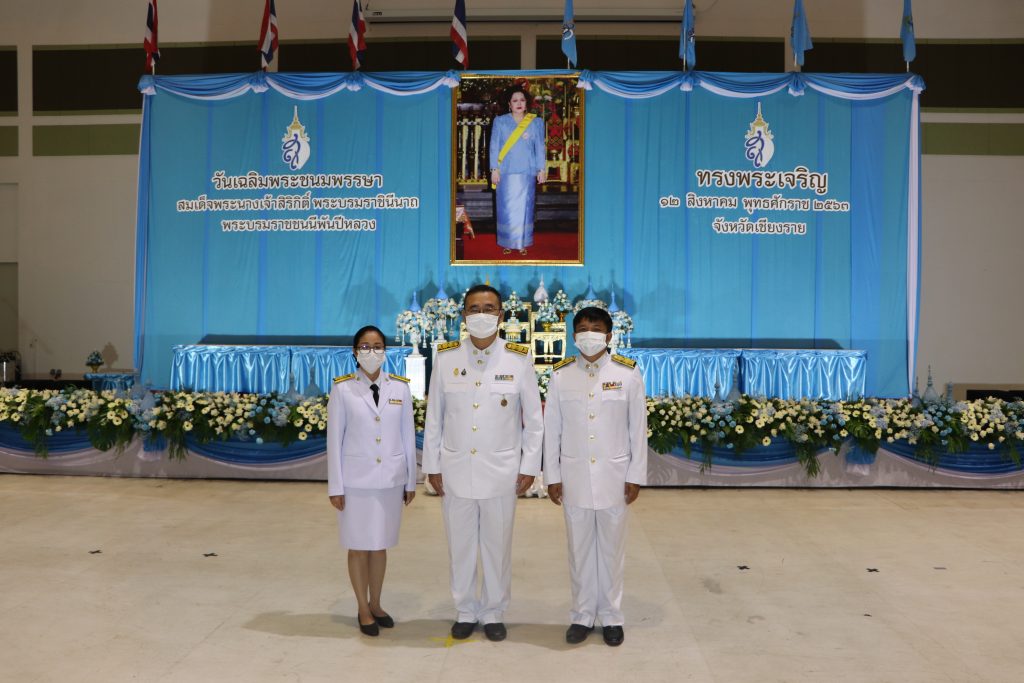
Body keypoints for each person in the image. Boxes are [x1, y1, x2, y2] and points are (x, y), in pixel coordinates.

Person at [422, 284, 543, 642]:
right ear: (463, 315)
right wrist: (432, 466)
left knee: (496, 546)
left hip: (501, 472)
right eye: (474, 308)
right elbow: (434, 417)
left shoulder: (518, 358)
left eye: (489, 308)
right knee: (460, 546)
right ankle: (464, 610)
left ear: (501, 315)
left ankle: (493, 611)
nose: (481, 315)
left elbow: (534, 420)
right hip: (456, 470)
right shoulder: (446, 358)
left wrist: (529, 467)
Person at [543, 306, 648, 647]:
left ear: (609, 335)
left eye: (596, 328)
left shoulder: (627, 373)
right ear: (574, 336)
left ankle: (612, 617)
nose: (589, 334)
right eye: (583, 329)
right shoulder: (561, 376)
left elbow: (637, 428)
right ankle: (582, 615)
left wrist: (635, 474)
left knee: (611, 551)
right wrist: (552, 475)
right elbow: (552, 429)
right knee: (579, 550)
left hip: (614, 477)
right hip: (573, 476)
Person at [327, 325, 417, 637]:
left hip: (390, 481)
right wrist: (335, 486)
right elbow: (334, 441)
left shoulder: (400, 388)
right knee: (358, 547)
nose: (372, 352)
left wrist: (410, 481)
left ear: (385, 351)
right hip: (355, 483)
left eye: (378, 346)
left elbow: (407, 435)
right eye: (365, 347)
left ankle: (376, 604)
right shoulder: (343, 390)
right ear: (355, 352)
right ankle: (362, 609)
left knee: (380, 546)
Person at [489, 86, 547, 256]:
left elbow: (540, 148)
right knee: (506, 209)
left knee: (525, 209)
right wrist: (494, 169)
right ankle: (507, 241)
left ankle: (523, 242)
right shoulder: (500, 121)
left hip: (527, 171)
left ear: (526, 103)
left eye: (522, 100)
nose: (519, 103)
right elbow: (494, 147)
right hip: (506, 172)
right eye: (515, 100)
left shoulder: (535, 122)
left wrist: (541, 169)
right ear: (509, 104)